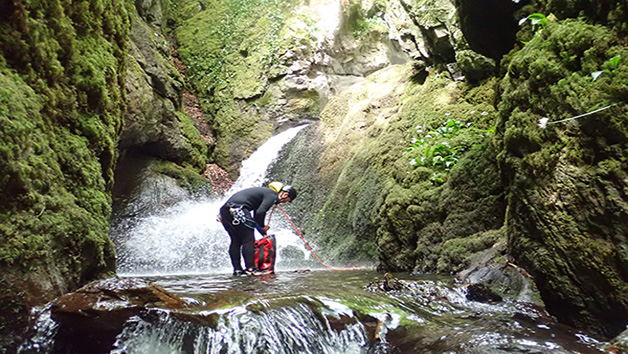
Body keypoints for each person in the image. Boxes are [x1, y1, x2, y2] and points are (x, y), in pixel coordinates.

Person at [219, 183, 297, 275]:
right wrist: (263, 227)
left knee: (236, 241)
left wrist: (262, 231)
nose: (284, 202)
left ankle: (237, 270)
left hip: (225, 211)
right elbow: (260, 212)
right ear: (285, 194)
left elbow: (256, 216)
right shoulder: (272, 195)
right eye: (287, 200)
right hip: (239, 210)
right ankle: (251, 268)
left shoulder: (263, 193)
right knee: (248, 240)